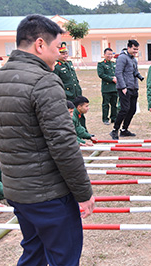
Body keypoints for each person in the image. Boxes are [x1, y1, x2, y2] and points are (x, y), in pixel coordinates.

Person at [0, 14, 94, 265]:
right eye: (56, 48)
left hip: (18, 191)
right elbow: (64, 144)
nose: (58, 55)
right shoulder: (44, 80)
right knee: (64, 257)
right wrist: (84, 193)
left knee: (34, 253)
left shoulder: (3, 76)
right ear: (40, 45)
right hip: (49, 195)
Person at [110, 40, 144, 140]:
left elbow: (134, 71)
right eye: (134, 49)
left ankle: (124, 130)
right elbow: (118, 73)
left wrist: (139, 76)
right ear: (128, 48)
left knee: (132, 109)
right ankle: (115, 130)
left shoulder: (133, 59)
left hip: (134, 87)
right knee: (124, 109)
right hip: (125, 88)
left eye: (137, 49)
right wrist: (123, 87)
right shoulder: (122, 58)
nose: (136, 51)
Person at [97, 47, 118, 125]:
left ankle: (114, 118)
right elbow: (101, 74)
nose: (110, 56)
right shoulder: (101, 64)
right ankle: (105, 119)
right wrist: (111, 79)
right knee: (105, 104)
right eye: (108, 54)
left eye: (111, 54)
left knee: (114, 104)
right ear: (104, 54)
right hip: (106, 88)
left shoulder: (114, 63)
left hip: (115, 87)